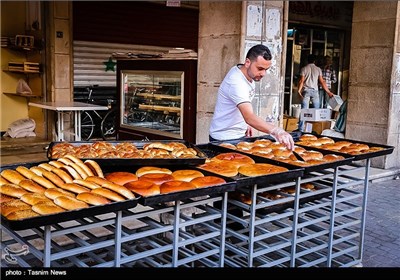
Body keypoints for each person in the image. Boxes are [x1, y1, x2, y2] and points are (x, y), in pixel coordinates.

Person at [209, 44, 294, 151]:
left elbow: (241, 106)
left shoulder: (245, 73)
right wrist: (277, 131)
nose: (263, 73)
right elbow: (249, 117)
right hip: (224, 138)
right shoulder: (236, 82)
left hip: (237, 135)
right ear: (247, 62)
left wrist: (245, 124)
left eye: (266, 69)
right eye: (260, 68)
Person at [297, 54, 335, 132]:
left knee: (304, 111)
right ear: (315, 61)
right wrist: (329, 92)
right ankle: (315, 129)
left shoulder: (304, 68)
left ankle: (301, 129)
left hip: (306, 91)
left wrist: (299, 91)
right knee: (316, 112)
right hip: (315, 92)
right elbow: (322, 81)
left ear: (307, 60)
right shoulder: (318, 69)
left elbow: (301, 81)